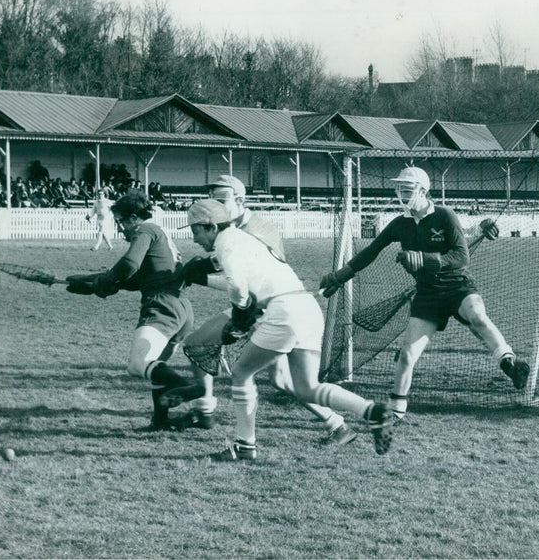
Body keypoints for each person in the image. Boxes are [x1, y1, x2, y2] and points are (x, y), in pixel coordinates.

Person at [178, 198, 393, 460]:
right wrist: (229, 296)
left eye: (195, 231)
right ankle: (372, 411)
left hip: (283, 312)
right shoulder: (244, 240)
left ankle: (245, 447)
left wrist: (240, 311)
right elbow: (245, 283)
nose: (194, 239)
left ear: (211, 226)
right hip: (306, 307)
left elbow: (236, 284)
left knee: (242, 373)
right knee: (306, 387)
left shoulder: (226, 242)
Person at [320, 166, 530, 421]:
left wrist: (426, 259)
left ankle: (509, 363)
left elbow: (461, 257)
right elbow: (371, 251)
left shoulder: (445, 216)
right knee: (407, 355)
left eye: (407, 188)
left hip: (457, 285)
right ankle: (395, 413)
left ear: (423, 190)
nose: (402, 192)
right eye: (399, 188)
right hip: (428, 295)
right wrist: (342, 275)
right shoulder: (400, 224)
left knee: (478, 318)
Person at [65, 191, 204, 430]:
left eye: (120, 222)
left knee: (137, 364)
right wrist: (89, 282)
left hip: (162, 306)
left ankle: (189, 389)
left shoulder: (145, 231)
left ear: (132, 219)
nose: (119, 229)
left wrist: (104, 282)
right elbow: (131, 280)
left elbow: (129, 265)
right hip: (181, 309)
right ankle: (160, 422)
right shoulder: (157, 234)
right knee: (156, 366)